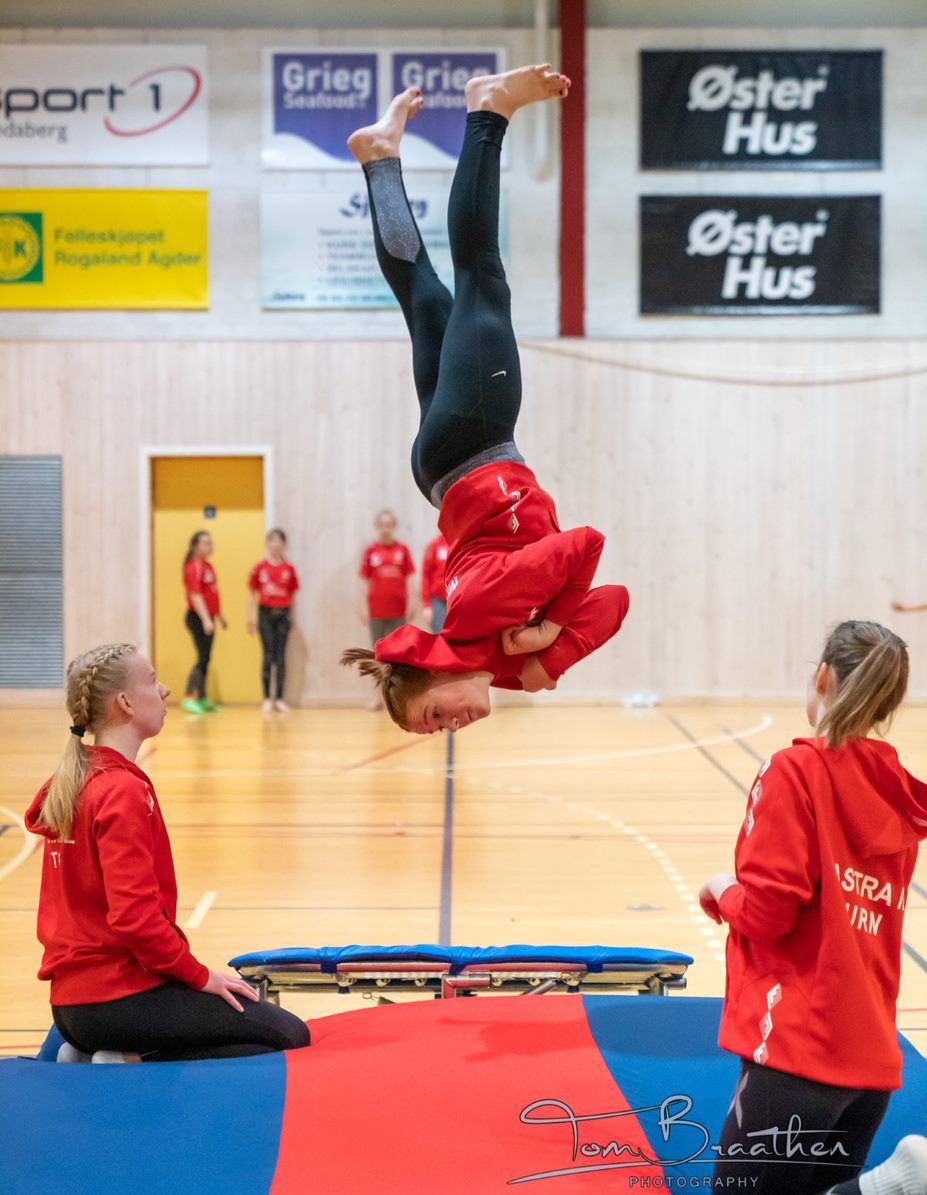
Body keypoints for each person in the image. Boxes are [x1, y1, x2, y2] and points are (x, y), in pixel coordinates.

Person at [340, 67, 629, 734]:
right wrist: (550, 654)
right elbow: (615, 599)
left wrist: (551, 629)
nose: (451, 725)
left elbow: (585, 544)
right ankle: (379, 159)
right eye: (437, 729)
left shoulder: (481, 616)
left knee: (479, 273)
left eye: (434, 715)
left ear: (436, 671)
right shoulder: (499, 662)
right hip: (444, 473)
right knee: (425, 296)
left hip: (478, 440)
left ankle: (486, 113)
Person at [699, 621, 927, 1195]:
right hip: (869, 1056)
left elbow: (770, 915)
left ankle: (886, 1189)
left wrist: (722, 888)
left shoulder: (793, 771)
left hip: (797, 1049)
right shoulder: (895, 788)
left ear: (822, 676)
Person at [25, 643, 311, 1062]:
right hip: (118, 999)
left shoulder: (75, 779)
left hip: (71, 1006)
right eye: (153, 680)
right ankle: (132, 1060)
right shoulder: (121, 790)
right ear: (124, 702)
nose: (166, 690)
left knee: (246, 1025)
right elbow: (135, 920)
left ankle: (97, 1055)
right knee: (287, 1036)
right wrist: (199, 977)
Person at [248, 528, 300, 713]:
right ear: (268, 544)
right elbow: (253, 593)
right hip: (265, 614)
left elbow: (293, 595)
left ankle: (279, 698)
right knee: (268, 655)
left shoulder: (289, 569)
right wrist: (251, 618)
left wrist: (294, 617)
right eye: (272, 540)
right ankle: (267, 699)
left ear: (284, 545)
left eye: (279, 541)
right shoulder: (260, 567)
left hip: (283, 615)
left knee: (280, 657)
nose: (275, 544)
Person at [181, 531, 225, 714]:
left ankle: (202, 698)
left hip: (209, 618)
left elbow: (211, 594)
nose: (210, 546)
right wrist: (206, 619)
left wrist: (219, 616)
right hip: (197, 618)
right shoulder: (194, 567)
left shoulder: (208, 566)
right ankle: (189, 696)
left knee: (206, 659)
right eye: (205, 543)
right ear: (195, 546)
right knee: (202, 658)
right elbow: (195, 595)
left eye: (211, 542)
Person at [421, 530, 450, 633]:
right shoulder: (434, 545)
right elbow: (425, 575)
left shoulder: (460, 543)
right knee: (439, 635)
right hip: (438, 600)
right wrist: (427, 606)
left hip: (457, 600)